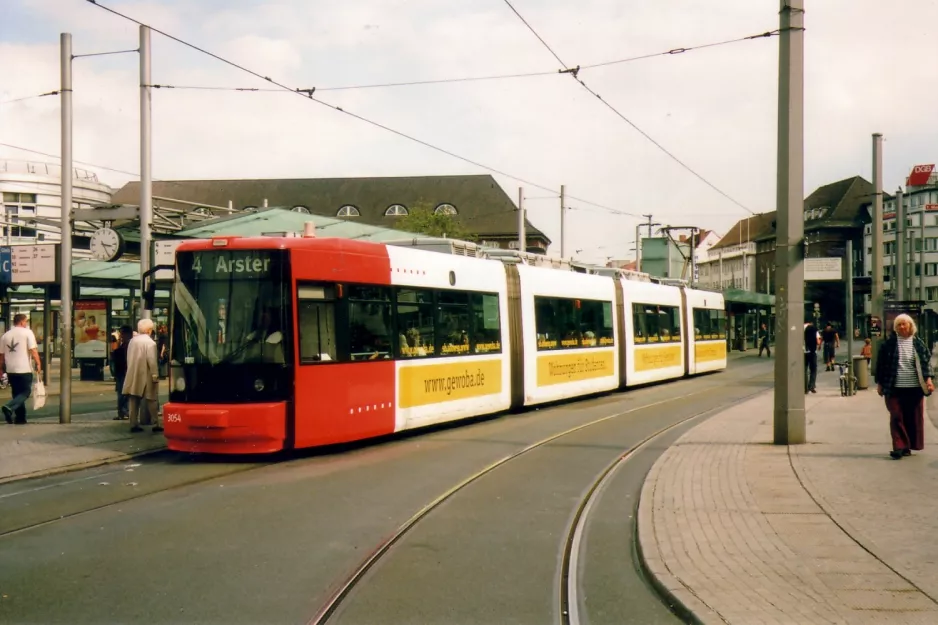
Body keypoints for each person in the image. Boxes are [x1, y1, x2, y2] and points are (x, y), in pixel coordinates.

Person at [875, 314, 935, 459]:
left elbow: (926, 363)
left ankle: (907, 445)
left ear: (910, 326)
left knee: (912, 417)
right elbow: (881, 365)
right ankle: (899, 446)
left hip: (914, 388)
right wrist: (880, 383)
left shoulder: (918, 343)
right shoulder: (888, 344)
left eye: (904, 324)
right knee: (896, 415)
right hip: (893, 387)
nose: (901, 327)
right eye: (899, 325)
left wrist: (928, 380)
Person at [0, 314, 42, 424]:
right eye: (26, 322)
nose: (26, 324)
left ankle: (20, 418)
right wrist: (38, 363)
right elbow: (33, 350)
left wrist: (1, 369)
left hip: (11, 370)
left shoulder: (5, 335)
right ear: (23, 322)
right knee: (25, 392)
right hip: (24, 368)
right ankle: (9, 407)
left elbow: (1, 355)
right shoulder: (27, 332)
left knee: (17, 393)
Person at [122, 318, 162, 433]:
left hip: (133, 373)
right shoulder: (151, 343)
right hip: (147, 375)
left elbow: (129, 357)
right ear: (149, 330)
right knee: (151, 399)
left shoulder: (132, 341)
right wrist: (155, 375)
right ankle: (156, 423)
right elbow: (152, 361)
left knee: (133, 399)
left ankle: (133, 423)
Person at [111, 325, 133, 421]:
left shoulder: (130, 345)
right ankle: (122, 412)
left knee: (123, 394)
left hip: (124, 372)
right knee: (121, 393)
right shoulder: (124, 344)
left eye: (122, 333)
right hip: (121, 372)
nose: (121, 335)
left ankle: (124, 412)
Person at [804, 321, 820, 394]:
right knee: (813, 370)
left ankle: (805, 388)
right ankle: (811, 386)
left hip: (803, 352)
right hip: (813, 351)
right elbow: (818, 341)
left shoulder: (800, 328)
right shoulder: (813, 329)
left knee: (804, 370)